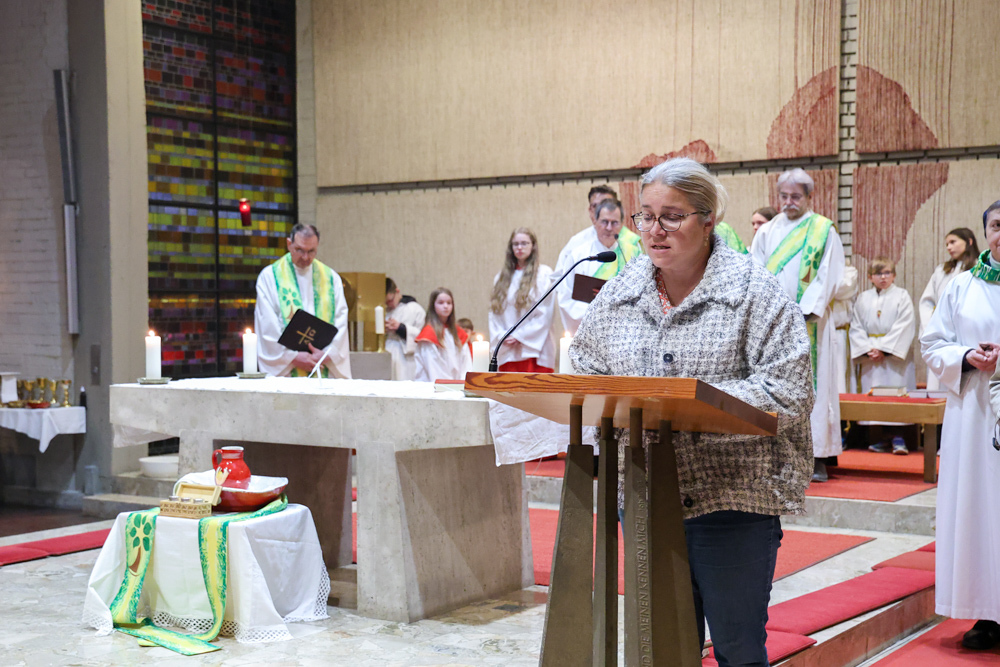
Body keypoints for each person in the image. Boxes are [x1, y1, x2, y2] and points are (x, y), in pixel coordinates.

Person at [571, 158, 814, 667]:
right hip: (645, 497)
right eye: (646, 216)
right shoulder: (620, 292)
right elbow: (585, 365)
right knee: (664, 648)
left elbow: (789, 391)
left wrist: (693, 405)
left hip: (733, 499)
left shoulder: (754, 291)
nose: (654, 230)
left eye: (671, 216)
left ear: (708, 220)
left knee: (737, 648)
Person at [921, 200, 1000, 651]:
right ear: (985, 232)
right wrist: (967, 356)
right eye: (997, 225)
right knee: (980, 507)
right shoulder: (961, 285)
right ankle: (988, 613)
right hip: (974, 411)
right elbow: (933, 343)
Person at [750, 168, 845, 482]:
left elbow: (829, 274)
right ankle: (778, 453)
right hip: (772, 325)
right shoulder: (767, 232)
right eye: (784, 196)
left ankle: (817, 456)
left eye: (795, 196)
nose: (789, 202)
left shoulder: (823, 230)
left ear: (809, 197)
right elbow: (755, 272)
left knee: (814, 387)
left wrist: (804, 312)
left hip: (809, 323)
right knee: (775, 387)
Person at [254, 224, 351, 378]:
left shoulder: (331, 278)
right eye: (299, 250)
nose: (305, 257)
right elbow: (267, 325)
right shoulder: (270, 277)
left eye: (311, 251)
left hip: (323, 366)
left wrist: (327, 354)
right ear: (289, 244)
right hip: (287, 373)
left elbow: (341, 320)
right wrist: (292, 357)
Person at [849, 257, 916, 454]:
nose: (883, 277)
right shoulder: (863, 298)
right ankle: (879, 438)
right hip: (871, 354)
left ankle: (898, 437)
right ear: (870, 277)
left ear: (894, 275)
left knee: (895, 394)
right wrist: (868, 348)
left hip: (893, 357)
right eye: (878, 273)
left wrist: (884, 349)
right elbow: (856, 326)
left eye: (887, 273)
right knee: (874, 396)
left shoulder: (902, 296)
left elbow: (905, 324)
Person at [553, 196, 644, 335]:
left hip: (625, 331)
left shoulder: (632, 253)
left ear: (621, 224)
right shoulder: (579, 256)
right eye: (604, 222)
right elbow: (566, 297)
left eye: (614, 223)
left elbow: (642, 294)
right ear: (595, 222)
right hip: (590, 329)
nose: (609, 228)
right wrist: (598, 315)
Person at [918, 227, 980, 390]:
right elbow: (927, 302)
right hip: (942, 333)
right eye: (946, 244)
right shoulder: (942, 270)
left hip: (966, 336)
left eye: (953, 242)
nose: (949, 247)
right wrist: (931, 328)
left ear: (969, 242)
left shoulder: (979, 269)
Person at [488, 228, 556, 372]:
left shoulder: (543, 274)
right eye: (515, 244)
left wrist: (519, 336)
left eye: (524, 243)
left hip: (534, 350)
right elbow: (494, 313)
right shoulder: (501, 278)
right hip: (508, 350)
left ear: (533, 246)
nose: (519, 247)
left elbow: (545, 314)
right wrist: (503, 336)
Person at [414, 288, 471, 382]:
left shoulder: (458, 333)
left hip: (458, 385)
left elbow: (466, 363)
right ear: (433, 306)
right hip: (433, 385)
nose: (445, 306)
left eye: (449, 303)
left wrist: (463, 382)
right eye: (441, 303)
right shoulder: (429, 334)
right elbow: (433, 368)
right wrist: (449, 385)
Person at [384, 277, 426, 381]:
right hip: (387, 356)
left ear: (397, 291)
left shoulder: (415, 309)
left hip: (406, 360)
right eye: (386, 302)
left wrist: (400, 328)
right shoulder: (384, 311)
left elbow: (422, 336)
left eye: (390, 300)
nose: (389, 304)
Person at [830, 260, 859, 393]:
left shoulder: (848, 271)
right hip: (817, 330)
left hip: (838, 331)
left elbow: (842, 289)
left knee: (839, 378)